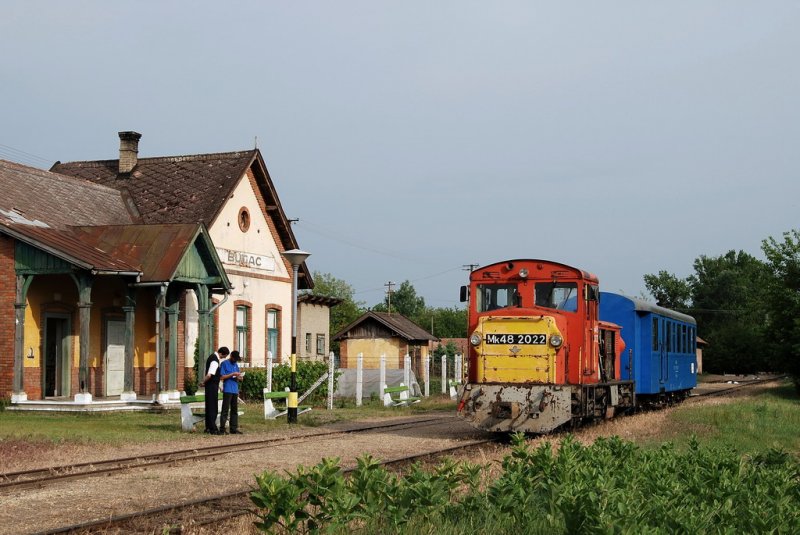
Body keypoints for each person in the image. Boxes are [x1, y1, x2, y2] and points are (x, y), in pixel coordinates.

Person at [200, 346, 229, 434]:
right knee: (213, 407)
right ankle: (213, 428)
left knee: (209, 406)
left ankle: (208, 427)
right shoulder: (215, 361)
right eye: (224, 356)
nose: (224, 358)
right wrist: (203, 382)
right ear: (222, 354)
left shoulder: (212, 357)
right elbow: (210, 374)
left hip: (210, 385)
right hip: (212, 386)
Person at [219, 350, 244, 434]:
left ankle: (233, 428)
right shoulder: (224, 364)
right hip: (227, 389)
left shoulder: (236, 365)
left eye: (237, 359)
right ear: (231, 357)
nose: (235, 360)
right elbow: (222, 377)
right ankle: (222, 428)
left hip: (235, 390)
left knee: (234, 410)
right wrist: (232, 374)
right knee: (225, 410)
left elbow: (238, 376)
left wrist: (240, 377)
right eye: (235, 359)